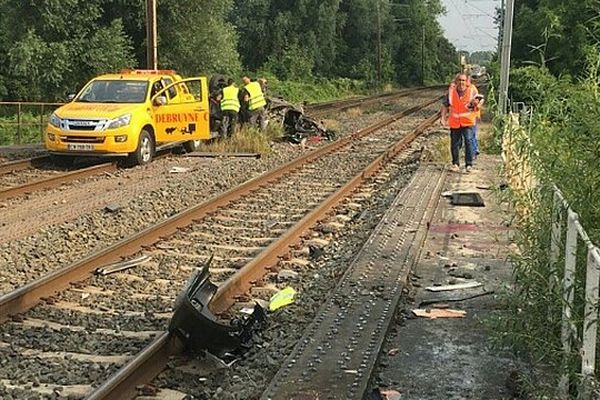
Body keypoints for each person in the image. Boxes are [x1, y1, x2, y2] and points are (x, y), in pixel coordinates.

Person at [441, 73, 481, 173]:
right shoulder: (451, 91)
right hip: (455, 122)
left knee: (468, 141)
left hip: (468, 122)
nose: (461, 82)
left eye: (463, 80)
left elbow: (480, 101)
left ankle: (469, 164)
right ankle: (455, 164)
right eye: (459, 80)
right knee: (455, 144)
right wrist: (443, 118)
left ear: (466, 81)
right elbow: (445, 105)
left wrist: (476, 104)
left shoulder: (472, 89)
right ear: (456, 81)